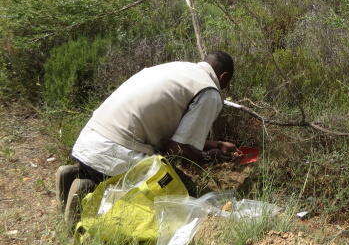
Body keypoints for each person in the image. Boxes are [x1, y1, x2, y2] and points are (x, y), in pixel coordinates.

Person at [55, 51, 238, 226]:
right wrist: (208, 158)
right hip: (117, 149)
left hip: (90, 140)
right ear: (223, 77)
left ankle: (80, 175)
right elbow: (177, 150)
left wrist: (215, 145)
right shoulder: (209, 91)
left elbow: (171, 138)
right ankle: (88, 190)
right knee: (184, 193)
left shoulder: (177, 69)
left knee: (126, 168)